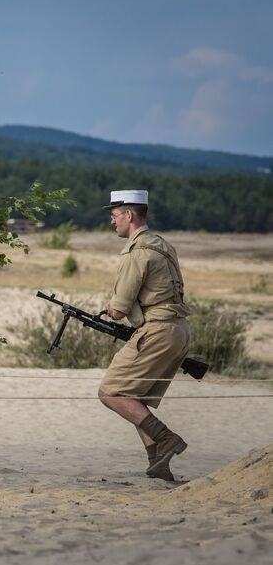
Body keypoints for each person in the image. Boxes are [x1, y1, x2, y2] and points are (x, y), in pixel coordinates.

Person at [98, 190, 191, 482]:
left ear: (129, 215)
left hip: (157, 330)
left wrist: (109, 310)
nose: (112, 221)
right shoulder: (162, 245)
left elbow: (119, 307)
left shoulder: (136, 252)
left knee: (111, 392)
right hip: (178, 329)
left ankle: (166, 439)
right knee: (135, 398)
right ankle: (158, 463)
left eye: (114, 215)